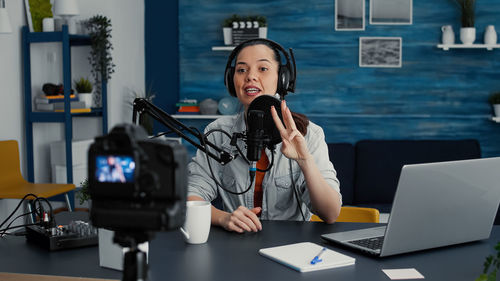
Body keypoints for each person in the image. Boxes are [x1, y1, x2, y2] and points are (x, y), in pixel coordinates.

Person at [187, 39, 342, 233]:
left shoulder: (310, 134)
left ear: (282, 79)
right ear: (230, 80)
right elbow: (191, 196)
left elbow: (330, 213)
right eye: (242, 70)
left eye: (262, 69)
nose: (250, 76)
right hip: (237, 247)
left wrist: (304, 160)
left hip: (291, 248)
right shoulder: (218, 133)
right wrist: (224, 218)